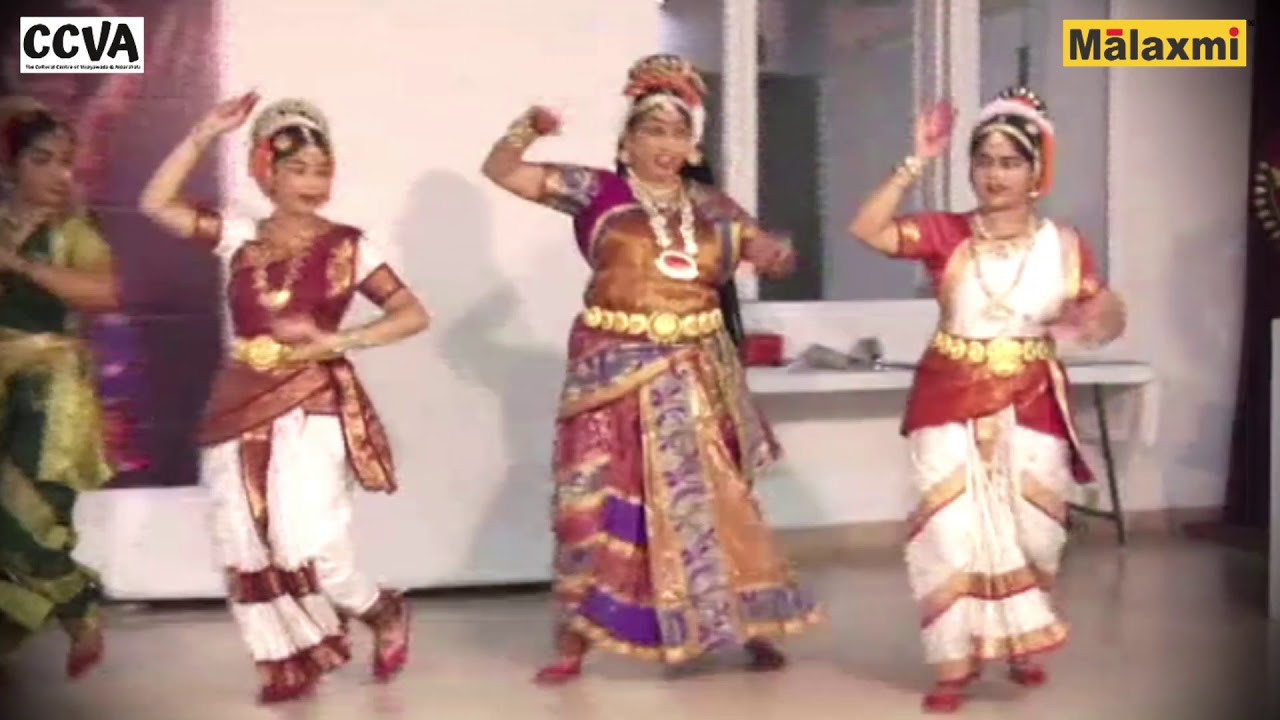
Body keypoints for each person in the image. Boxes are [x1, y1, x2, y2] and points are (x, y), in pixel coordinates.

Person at [480, 54, 821, 685]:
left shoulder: (716, 207)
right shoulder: (596, 192)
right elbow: (501, 171)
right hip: (611, 373)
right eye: (652, 131)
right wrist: (530, 125)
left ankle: (749, 622)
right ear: (626, 141)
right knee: (589, 503)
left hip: (696, 373)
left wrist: (778, 255)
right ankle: (576, 637)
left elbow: (767, 255)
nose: (666, 145)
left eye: (677, 133)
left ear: (693, 147)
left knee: (720, 503)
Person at [138, 93, 431, 704]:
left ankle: (379, 609)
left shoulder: (351, 246)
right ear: (265, 171)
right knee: (245, 536)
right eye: (296, 169)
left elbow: (411, 313)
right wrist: (202, 132)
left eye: (321, 169)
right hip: (239, 400)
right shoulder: (240, 236)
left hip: (312, 399)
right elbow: (154, 204)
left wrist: (339, 338)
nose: (311, 182)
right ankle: (286, 659)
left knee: (313, 544)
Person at [847, 87, 1126, 713]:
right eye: (984, 160)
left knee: (1035, 532)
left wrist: (1096, 321)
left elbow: (1105, 306)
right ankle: (952, 664)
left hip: (1030, 397)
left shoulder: (1066, 243)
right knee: (950, 532)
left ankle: (1020, 639)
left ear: (1035, 174)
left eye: (1009, 161)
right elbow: (866, 228)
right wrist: (916, 159)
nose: (994, 174)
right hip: (949, 393)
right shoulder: (945, 232)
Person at [0, 97, 121, 678]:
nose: (58, 174)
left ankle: (76, 603)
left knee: (30, 520)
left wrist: (20, 267)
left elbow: (105, 295)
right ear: (13, 166)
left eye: (65, 161)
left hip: (50, 394)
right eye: (42, 159)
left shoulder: (73, 230)